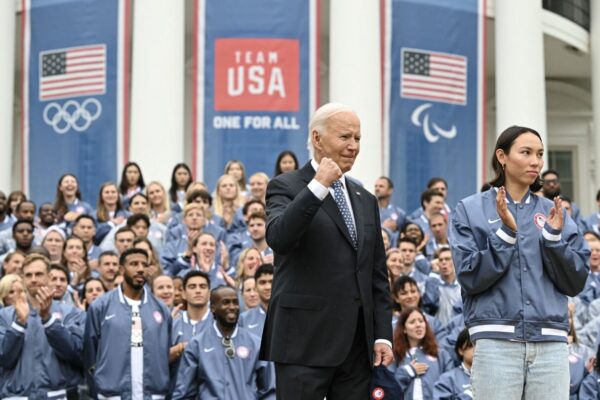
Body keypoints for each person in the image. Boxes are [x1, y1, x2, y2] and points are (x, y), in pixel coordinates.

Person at [260, 103, 393, 399]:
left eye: (358, 138)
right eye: (345, 137)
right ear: (318, 139)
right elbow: (280, 238)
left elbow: (376, 274)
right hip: (303, 342)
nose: (353, 146)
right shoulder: (285, 186)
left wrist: (382, 333)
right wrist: (319, 185)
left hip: (357, 348)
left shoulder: (365, 199)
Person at [450, 125, 590, 399]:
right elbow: (469, 277)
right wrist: (506, 234)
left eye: (539, 154)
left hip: (550, 342)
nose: (535, 161)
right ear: (502, 157)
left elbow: (576, 281)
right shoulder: (469, 209)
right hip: (495, 341)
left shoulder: (553, 211)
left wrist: (552, 239)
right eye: (526, 152)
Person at [84, 247, 172, 399]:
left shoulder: (162, 309)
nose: (140, 269)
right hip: (112, 395)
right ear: (122, 269)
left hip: (153, 395)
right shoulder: (101, 306)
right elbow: (90, 353)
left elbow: (165, 352)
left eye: (144, 265)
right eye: (134, 264)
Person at [0, 254, 85, 398]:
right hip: (17, 395)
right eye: (28, 275)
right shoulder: (5, 316)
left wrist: (48, 320)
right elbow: (4, 359)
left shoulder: (71, 313)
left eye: (39, 274)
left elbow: (76, 354)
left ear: (49, 276)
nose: (33, 279)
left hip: (58, 395)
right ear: (22, 278)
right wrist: (19, 323)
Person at [172, 285, 275, 399]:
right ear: (213, 308)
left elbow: (269, 391)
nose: (232, 307)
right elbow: (184, 393)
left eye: (235, 302)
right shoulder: (197, 344)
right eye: (226, 302)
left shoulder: (256, 344)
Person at [389, 306, 453, 399]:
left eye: (421, 321)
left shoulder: (440, 354)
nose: (418, 325)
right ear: (404, 329)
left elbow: (450, 384)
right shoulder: (395, 355)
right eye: (412, 322)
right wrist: (407, 371)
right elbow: (389, 389)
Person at [433, 328, 474, 400]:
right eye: (471, 346)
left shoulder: (494, 376)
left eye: (480, 346)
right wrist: (467, 395)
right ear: (461, 350)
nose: (476, 349)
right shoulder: (448, 379)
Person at [239, 263, 273, 337]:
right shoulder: (243, 319)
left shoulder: (288, 314)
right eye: (262, 282)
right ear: (256, 286)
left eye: (271, 282)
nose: (267, 287)